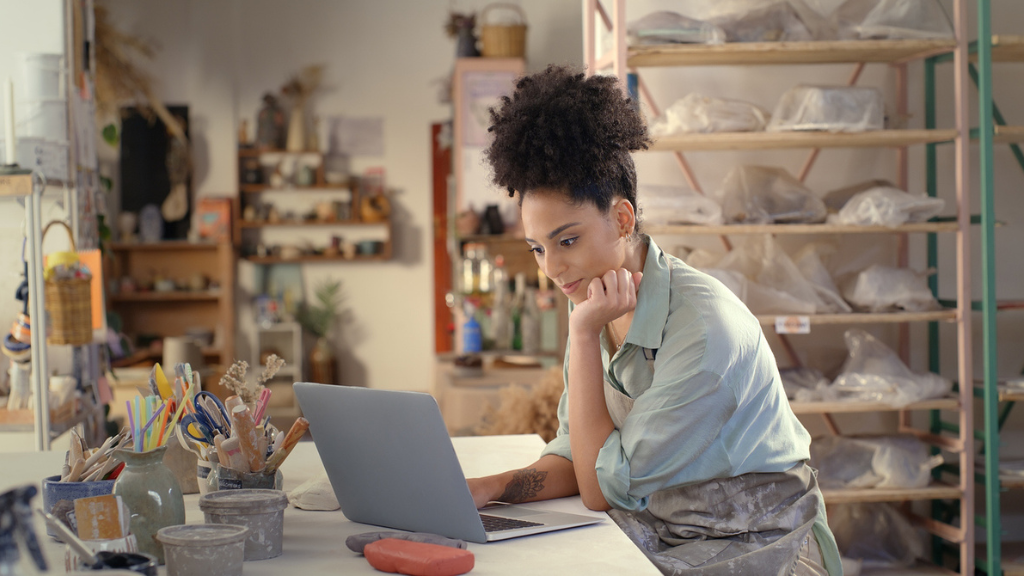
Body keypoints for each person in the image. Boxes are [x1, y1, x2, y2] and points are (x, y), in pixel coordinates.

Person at [466, 66, 842, 576]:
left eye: (567, 241)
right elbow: (580, 455)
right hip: (667, 528)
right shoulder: (598, 297)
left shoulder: (703, 331)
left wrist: (582, 335)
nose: (551, 268)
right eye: (537, 248)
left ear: (622, 219)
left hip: (761, 545)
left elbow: (600, 488)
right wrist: (488, 488)